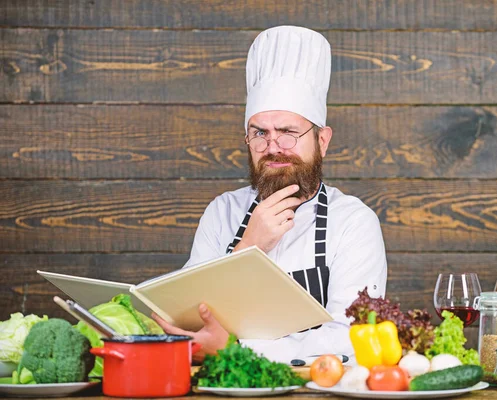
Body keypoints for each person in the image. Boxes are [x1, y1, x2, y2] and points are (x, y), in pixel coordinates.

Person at [153, 25, 387, 364]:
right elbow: (187, 314)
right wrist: (248, 248)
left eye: (288, 132)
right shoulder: (223, 212)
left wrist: (239, 349)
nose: (273, 147)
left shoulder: (353, 222)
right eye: (259, 133)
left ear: (322, 141)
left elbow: (352, 337)